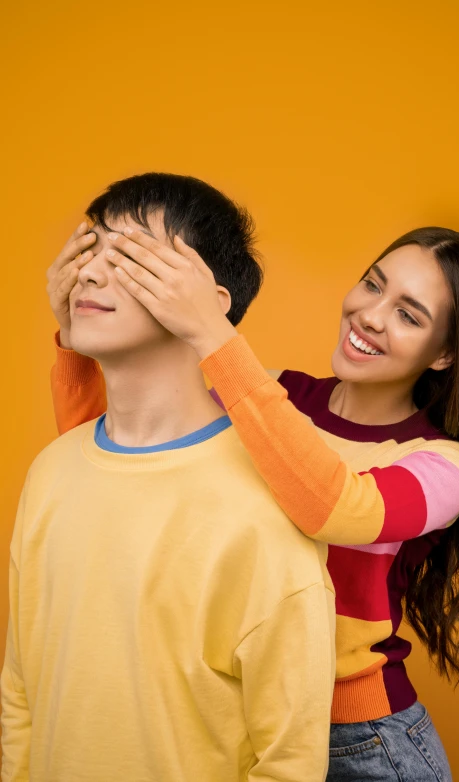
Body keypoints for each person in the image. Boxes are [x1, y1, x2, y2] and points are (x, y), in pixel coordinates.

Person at [48, 219, 459, 781]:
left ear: (443, 354)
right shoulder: (266, 396)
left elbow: (335, 507)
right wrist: (76, 337)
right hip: (241, 721)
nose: (370, 315)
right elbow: (121, 470)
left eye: (408, 314)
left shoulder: (444, 465)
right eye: (373, 285)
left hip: (360, 745)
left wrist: (212, 334)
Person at [1, 173, 337, 782]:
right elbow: (21, 686)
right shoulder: (51, 471)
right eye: (91, 249)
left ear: (211, 299)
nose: (92, 274)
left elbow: (288, 760)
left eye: (130, 256)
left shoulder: (263, 504)